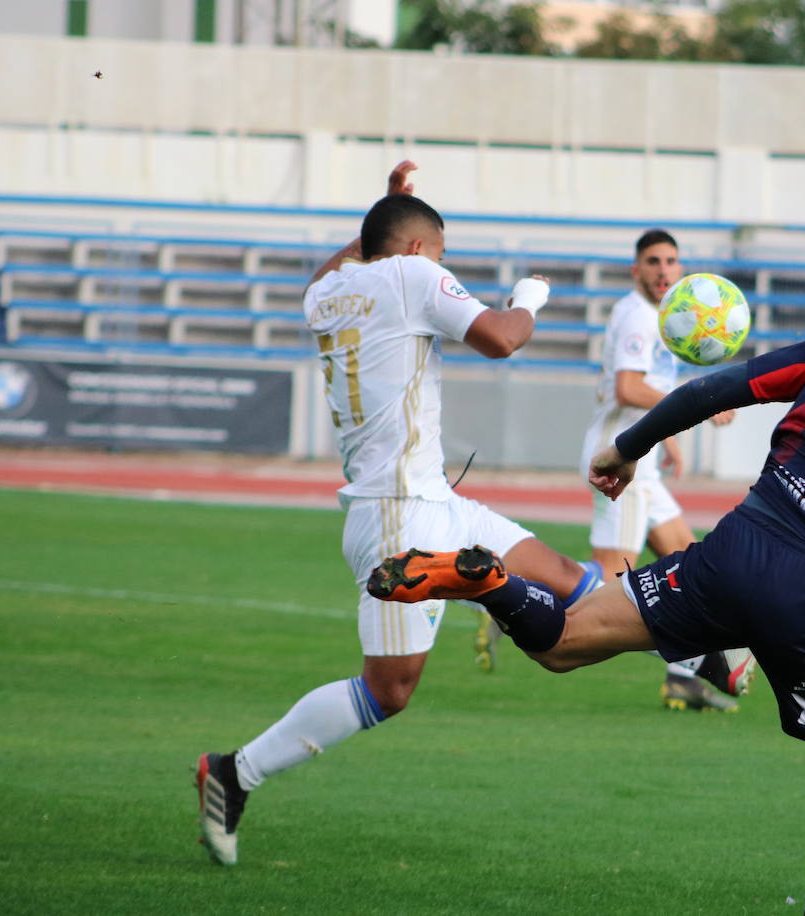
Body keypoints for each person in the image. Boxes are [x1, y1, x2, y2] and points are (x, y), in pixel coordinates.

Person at [369, 259, 805, 915]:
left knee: (563, 641)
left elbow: (716, 387)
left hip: (735, 552)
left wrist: (626, 449)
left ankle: (490, 579)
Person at [192, 161, 605, 866]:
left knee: (571, 577)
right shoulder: (411, 276)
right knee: (390, 690)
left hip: (430, 498)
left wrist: (391, 207)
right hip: (397, 515)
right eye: (441, 257)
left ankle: (696, 647)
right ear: (416, 251)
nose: (444, 272)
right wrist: (529, 298)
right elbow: (502, 337)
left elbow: (342, 264)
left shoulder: (326, 293)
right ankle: (235, 772)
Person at [579, 228, 747, 712]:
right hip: (619, 459)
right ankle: (504, 591)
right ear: (636, 269)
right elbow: (629, 389)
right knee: (609, 578)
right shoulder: (636, 316)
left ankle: (684, 678)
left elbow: (648, 393)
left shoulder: (667, 316)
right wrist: (699, 406)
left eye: (671, 261)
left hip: (641, 460)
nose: (663, 270)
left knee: (687, 561)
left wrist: (667, 440)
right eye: (653, 261)